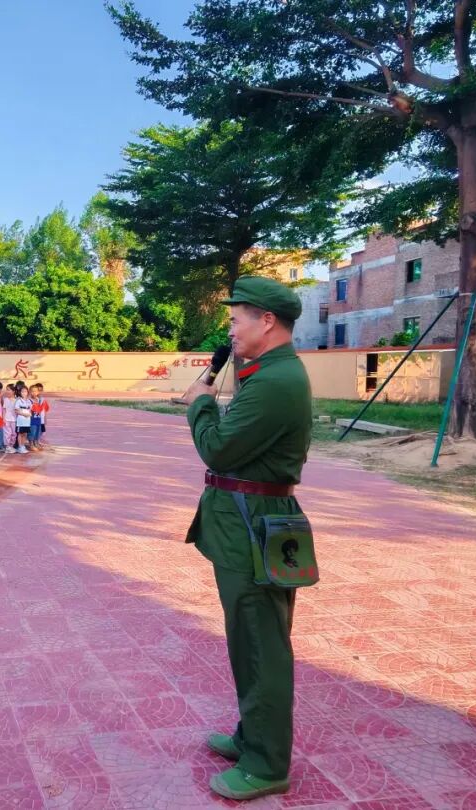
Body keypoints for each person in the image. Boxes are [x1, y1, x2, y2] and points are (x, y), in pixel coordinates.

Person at [181, 277, 312, 802]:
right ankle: (250, 736)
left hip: (255, 525)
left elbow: (219, 449)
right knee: (249, 640)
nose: (231, 331)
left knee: (261, 646)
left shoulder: (277, 381)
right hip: (248, 521)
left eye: (237, 321)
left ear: (267, 321)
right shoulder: (268, 373)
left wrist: (200, 404)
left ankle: (266, 763)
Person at [13, 382, 33, 454]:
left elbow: (30, 410)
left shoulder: (29, 401)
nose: (24, 393)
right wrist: (24, 414)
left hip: (27, 421)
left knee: (25, 434)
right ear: (20, 392)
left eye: (25, 391)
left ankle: (23, 446)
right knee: (20, 434)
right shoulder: (18, 400)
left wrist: (29, 414)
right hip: (20, 421)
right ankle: (19, 447)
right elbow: (16, 410)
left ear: (27, 392)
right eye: (22, 391)